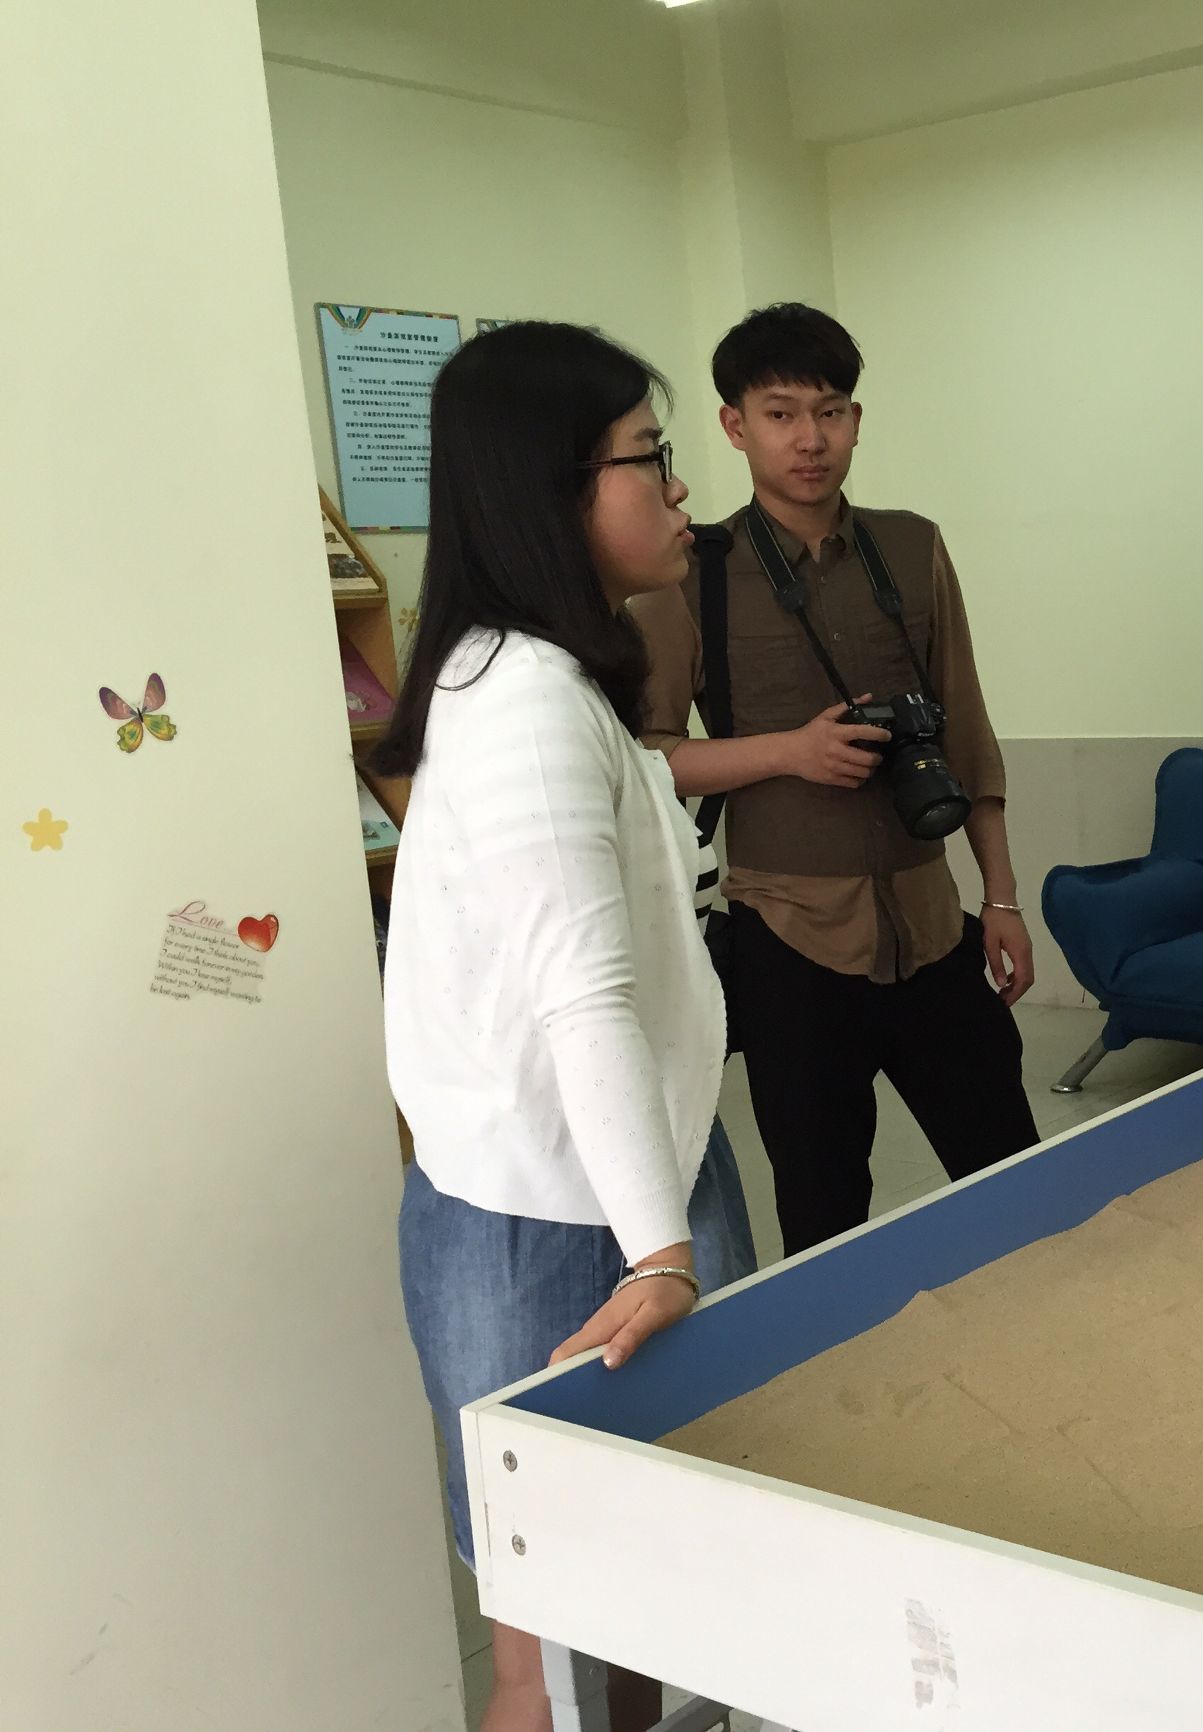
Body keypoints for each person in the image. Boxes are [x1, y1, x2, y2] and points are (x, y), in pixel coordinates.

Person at [375, 322, 757, 1732]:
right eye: (650, 461)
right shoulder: (523, 700)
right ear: (551, 485)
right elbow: (577, 991)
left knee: (654, 1601)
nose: (679, 495)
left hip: (636, 1171)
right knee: (551, 1642)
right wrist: (659, 1250)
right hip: (547, 1221)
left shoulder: (545, 675)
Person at [630, 303, 1040, 1258]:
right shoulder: (690, 575)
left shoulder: (911, 546)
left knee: (1015, 1173)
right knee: (820, 1209)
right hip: (788, 940)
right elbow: (642, 755)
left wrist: (1005, 897)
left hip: (934, 923)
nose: (810, 439)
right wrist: (785, 752)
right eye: (779, 414)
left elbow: (967, 730)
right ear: (734, 426)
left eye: (831, 411)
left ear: (856, 417)